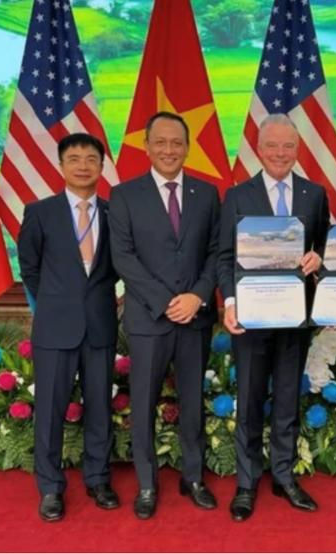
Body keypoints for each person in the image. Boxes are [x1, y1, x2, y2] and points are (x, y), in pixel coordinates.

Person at [108, 111, 221, 520]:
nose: (169, 149)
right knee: (143, 404)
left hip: (195, 318)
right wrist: (167, 302)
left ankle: (194, 478)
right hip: (148, 319)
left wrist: (197, 296)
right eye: (160, 142)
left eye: (176, 142)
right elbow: (124, 257)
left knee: (193, 401)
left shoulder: (207, 194)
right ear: (146, 146)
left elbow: (217, 252)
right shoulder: (124, 195)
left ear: (187, 147)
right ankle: (147, 484)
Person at [217, 114, 330, 522]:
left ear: (297, 150)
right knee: (249, 400)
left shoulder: (315, 194)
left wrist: (319, 258)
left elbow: (325, 247)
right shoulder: (236, 196)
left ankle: (284, 477)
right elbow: (224, 257)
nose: (280, 153)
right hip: (250, 317)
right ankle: (247, 483)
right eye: (272, 145)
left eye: (288, 146)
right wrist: (230, 302)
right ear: (258, 149)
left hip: (294, 316)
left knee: (287, 398)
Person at [18, 132, 120, 522]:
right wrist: (56, 300)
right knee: (50, 410)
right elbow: (30, 267)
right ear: (61, 165)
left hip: (100, 325)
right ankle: (50, 487)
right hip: (55, 327)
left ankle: (98, 478)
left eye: (91, 159)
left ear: (101, 166)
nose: (83, 166)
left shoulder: (114, 213)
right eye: (74, 159)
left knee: (100, 406)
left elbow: (118, 265)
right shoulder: (39, 212)